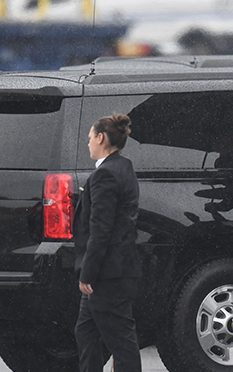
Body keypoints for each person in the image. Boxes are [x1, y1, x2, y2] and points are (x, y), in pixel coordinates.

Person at [74, 114, 142, 372]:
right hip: (119, 268)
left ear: (101, 137)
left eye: (90, 137)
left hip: (107, 273)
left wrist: (87, 273)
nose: (88, 143)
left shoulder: (106, 175)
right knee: (86, 331)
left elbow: (100, 230)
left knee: (121, 341)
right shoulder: (124, 167)